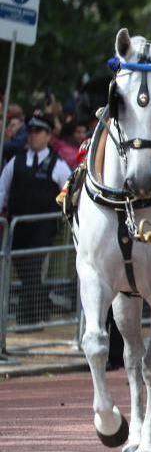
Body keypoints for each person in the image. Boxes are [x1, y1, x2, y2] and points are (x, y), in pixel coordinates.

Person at [0, 115, 72, 326]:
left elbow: (68, 191)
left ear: (49, 136)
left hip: (43, 229)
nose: (32, 136)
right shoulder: (17, 161)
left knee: (32, 268)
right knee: (26, 272)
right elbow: (3, 190)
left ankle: (27, 318)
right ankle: (41, 311)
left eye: (37, 132)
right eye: (30, 131)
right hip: (18, 229)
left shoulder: (57, 164)